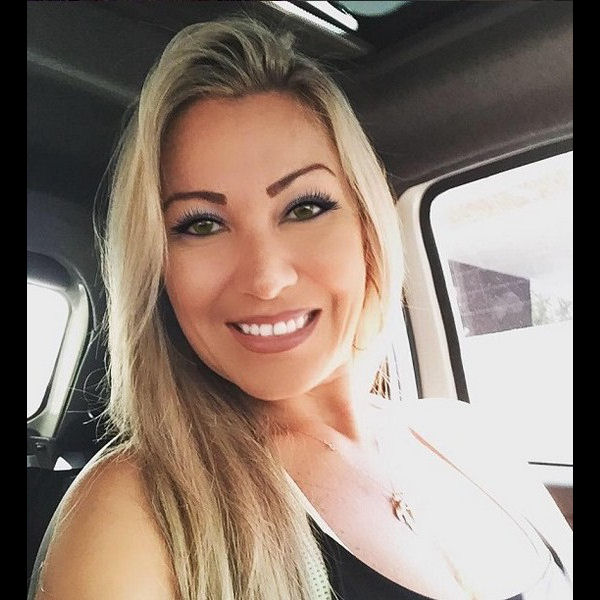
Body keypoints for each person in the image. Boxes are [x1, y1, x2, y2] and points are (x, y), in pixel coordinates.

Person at [31, 16, 572, 600]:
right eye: (202, 224)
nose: (266, 279)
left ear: (367, 223)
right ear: (157, 269)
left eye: (304, 207)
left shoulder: (467, 437)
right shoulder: (132, 518)